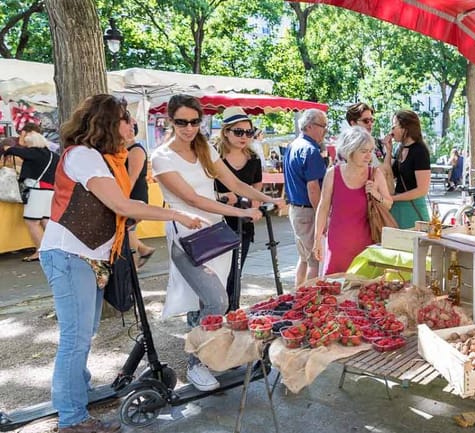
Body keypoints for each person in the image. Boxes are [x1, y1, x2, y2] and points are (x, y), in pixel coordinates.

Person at [38, 94, 205, 433]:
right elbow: (122, 204)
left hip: (85, 257)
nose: (132, 126)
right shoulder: (84, 156)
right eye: (126, 119)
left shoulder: (102, 158)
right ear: (108, 124)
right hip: (70, 255)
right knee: (76, 338)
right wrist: (177, 214)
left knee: (82, 333)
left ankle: (75, 396)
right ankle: (72, 419)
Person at [151, 95, 282, 391]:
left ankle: (211, 353)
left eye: (195, 122)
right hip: (187, 238)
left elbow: (235, 183)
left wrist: (268, 199)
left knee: (210, 301)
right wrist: (242, 211)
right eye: (182, 122)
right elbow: (194, 200)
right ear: (170, 121)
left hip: (215, 237)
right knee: (217, 300)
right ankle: (196, 364)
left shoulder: (204, 149)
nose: (189, 128)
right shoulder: (161, 156)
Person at [313, 127, 392, 275]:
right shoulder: (333, 174)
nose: (369, 156)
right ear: (350, 151)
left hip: (366, 246)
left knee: (365, 291)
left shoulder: (375, 174)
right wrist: (317, 239)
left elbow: (389, 204)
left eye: (370, 150)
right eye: (363, 151)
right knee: (334, 289)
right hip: (337, 244)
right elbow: (323, 207)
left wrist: (375, 193)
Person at [213, 107, 264, 310]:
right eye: (238, 132)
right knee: (216, 273)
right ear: (226, 131)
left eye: (248, 132)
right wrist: (224, 198)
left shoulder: (254, 158)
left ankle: (232, 311)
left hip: (243, 222)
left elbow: (256, 186)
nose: (244, 137)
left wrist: (255, 205)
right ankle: (213, 312)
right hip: (217, 222)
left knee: (236, 270)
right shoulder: (214, 157)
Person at [283, 108, 328, 287]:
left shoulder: (294, 145)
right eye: (322, 126)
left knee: (304, 258)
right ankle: (309, 299)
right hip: (308, 211)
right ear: (309, 126)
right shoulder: (311, 150)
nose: (325, 130)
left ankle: (297, 294)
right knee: (315, 260)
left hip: (296, 210)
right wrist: (321, 216)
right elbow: (313, 188)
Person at [3, 130, 59, 261]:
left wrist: (13, 145)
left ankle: (40, 251)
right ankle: (54, 249)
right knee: (45, 220)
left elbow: (11, 150)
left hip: (37, 190)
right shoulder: (54, 156)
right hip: (50, 190)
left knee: (32, 221)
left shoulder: (34, 153)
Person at [384, 110, 430, 228]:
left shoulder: (420, 151)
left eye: (394, 126)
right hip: (397, 208)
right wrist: (388, 152)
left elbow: (422, 190)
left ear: (405, 127)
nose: (392, 130)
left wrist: (394, 198)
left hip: (413, 208)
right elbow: (388, 174)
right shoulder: (399, 149)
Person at [124, 119, 156, 269]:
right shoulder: (125, 150)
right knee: (129, 229)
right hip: (130, 195)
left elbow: (132, 178)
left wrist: (120, 199)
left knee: (128, 228)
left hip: (135, 196)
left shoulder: (136, 150)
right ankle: (143, 250)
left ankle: (134, 262)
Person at [345, 102, 391, 170]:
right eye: (365, 121)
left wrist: (389, 151)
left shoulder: (379, 144)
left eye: (372, 120)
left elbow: (387, 171)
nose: (370, 124)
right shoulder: (345, 148)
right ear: (353, 123)